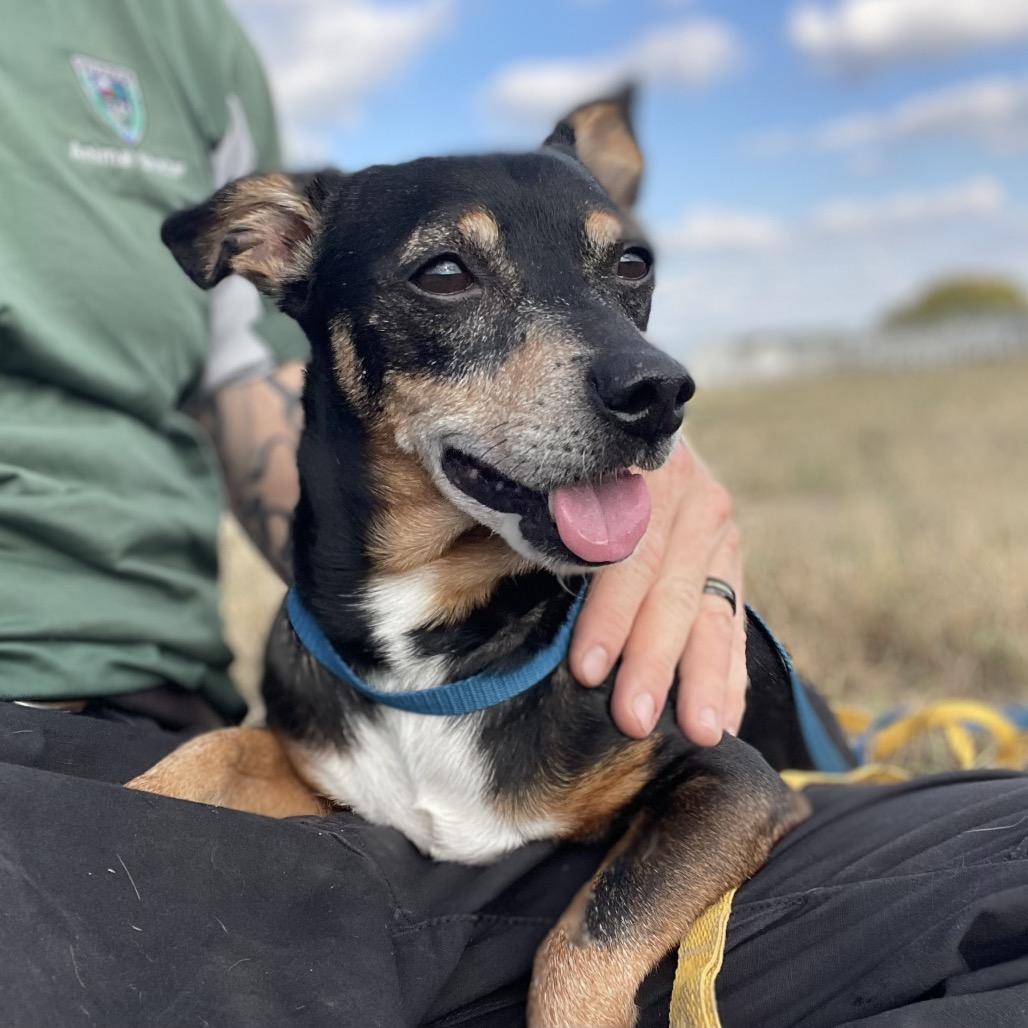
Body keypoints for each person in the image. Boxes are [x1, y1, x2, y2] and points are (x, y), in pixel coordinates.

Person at [1, 3, 1026, 1027]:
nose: (643, 377)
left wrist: (578, 983)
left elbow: (735, 787)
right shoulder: (296, 697)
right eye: (445, 275)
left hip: (212, 727)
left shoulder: (182, 39)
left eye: (620, 270)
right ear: (281, 257)